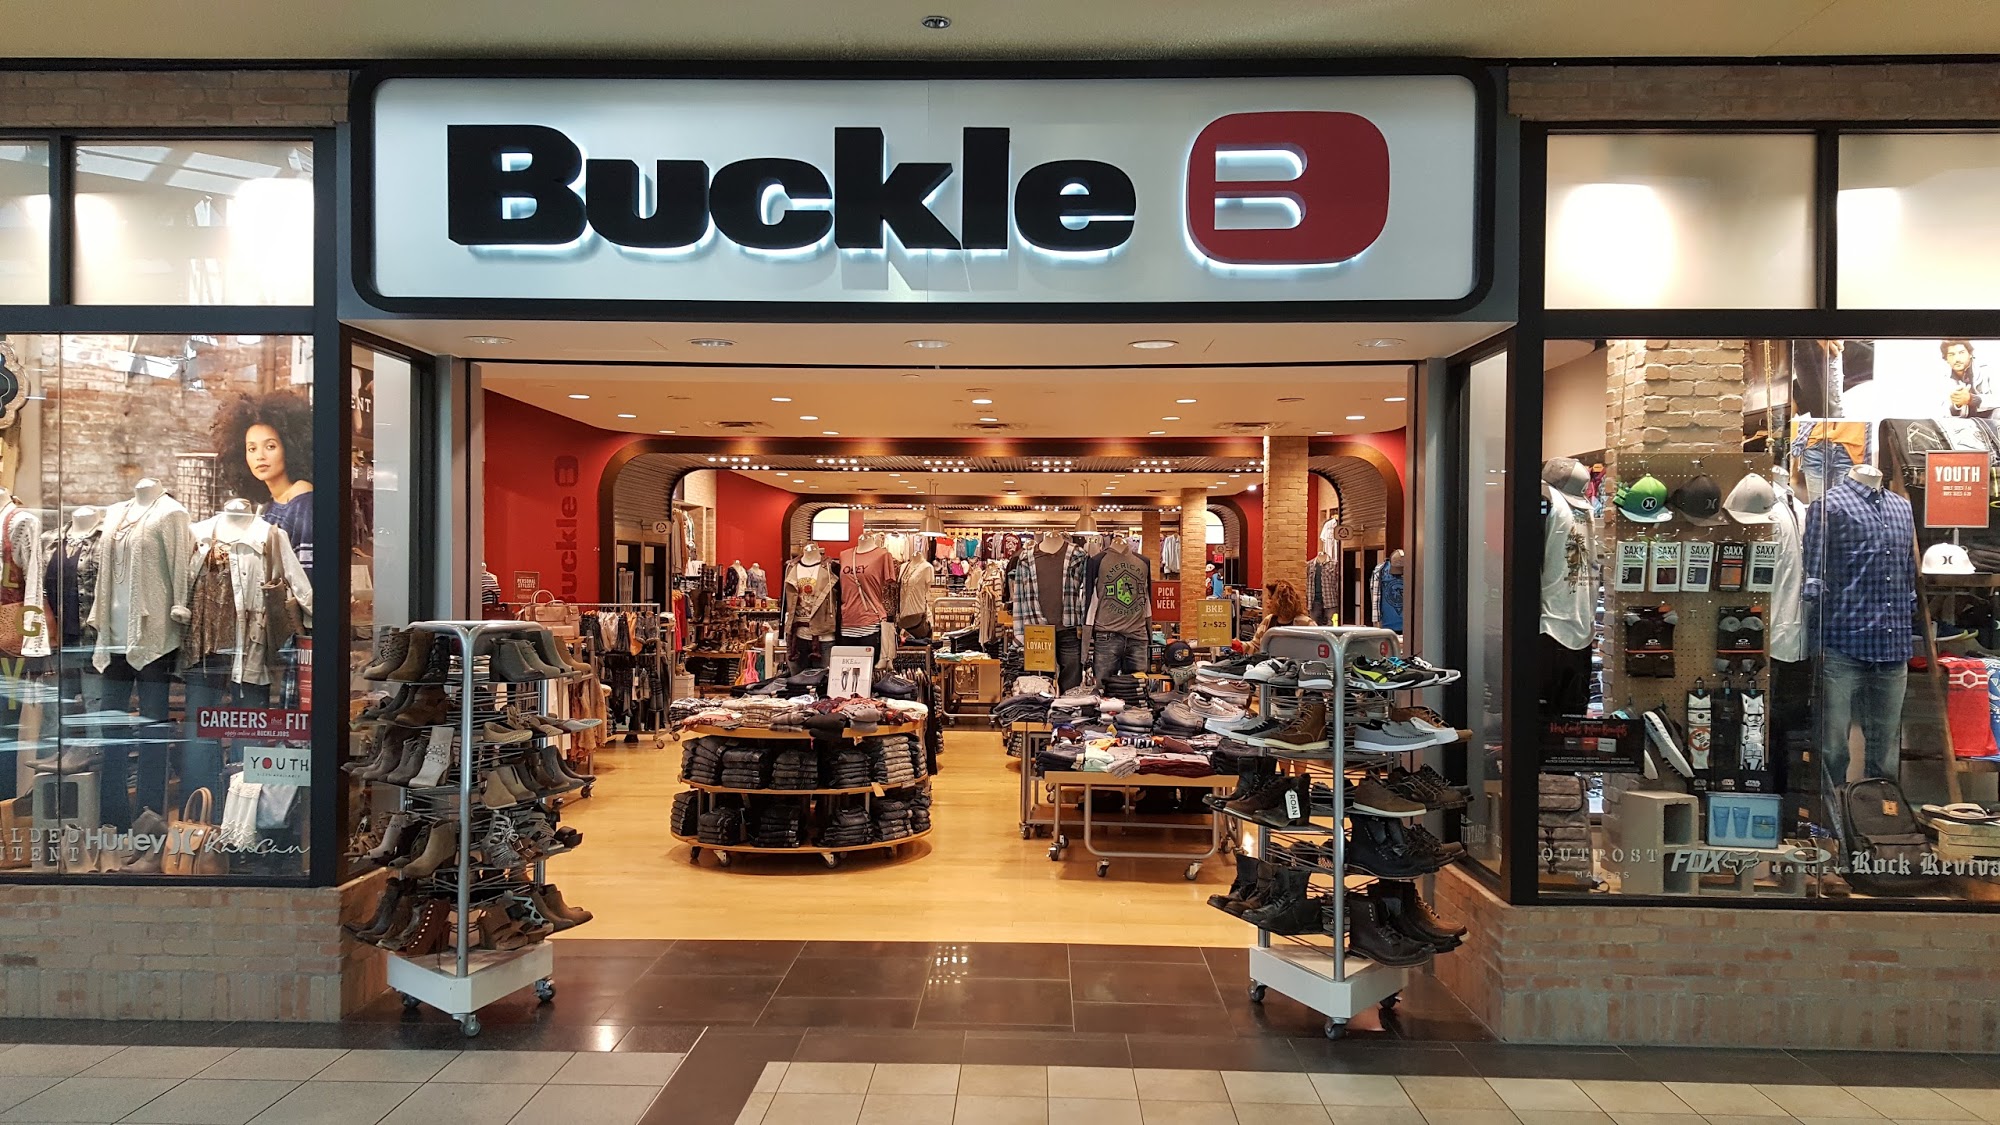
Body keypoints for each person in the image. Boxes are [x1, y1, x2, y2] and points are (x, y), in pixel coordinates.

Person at [214, 391, 314, 575]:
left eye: (270, 446)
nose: (260, 456)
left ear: (290, 447)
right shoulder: (271, 504)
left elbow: (307, 577)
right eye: (252, 448)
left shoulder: (302, 503)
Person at [1247, 580, 1314, 652]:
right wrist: (1240, 646)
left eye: (1270, 598)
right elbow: (1256, 646)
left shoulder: (1305, 623)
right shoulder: (1269, 620)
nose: (1267, 601)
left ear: (1280, 601)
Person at [1941, 339, 1994, 419]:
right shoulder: (1944, 379)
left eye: (1961, 353)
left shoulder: (1988, 370)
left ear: (1970, 354)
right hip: (1967, 423)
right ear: (1946, 359)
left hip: (1993, 420)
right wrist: (1957, 405)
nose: (1957, 359)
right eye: (1951, 355)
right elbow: (1944, 412)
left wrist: (1972, 399)